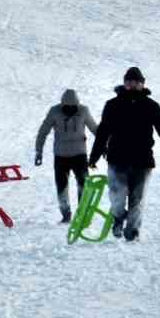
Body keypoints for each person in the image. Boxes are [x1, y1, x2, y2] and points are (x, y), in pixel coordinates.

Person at [88, 66, 160, 241]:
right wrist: (94, 156)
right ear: (124, 83)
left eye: (135, 81)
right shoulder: (113, 105)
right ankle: (118, 219)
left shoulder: (151, 106)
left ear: (142, 84)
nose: (131, 84)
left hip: (142, 160)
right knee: (117, 196)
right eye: (128, 81)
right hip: (117, 158)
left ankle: (132, 232)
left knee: (137, 200)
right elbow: (103, 132)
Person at [35, 89, 99, 222]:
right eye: (67, 107)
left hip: (79, 155)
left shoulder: (83, 111)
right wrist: (38, 150)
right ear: (62, 104)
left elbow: (94, 128)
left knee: (84, 185)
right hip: (61, 156)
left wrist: (105, 146)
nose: (70, 109)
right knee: (61, 186)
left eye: (73, 107)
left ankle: (82, 214)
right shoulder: (54, 112)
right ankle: (66, 214)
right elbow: (43, 131)